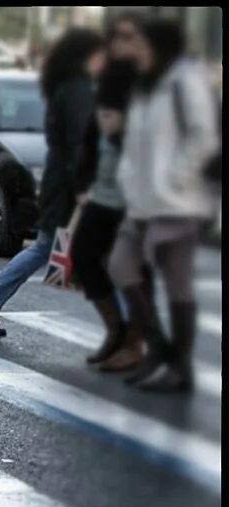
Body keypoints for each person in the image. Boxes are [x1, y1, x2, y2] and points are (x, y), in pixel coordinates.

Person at [107, 18, 220, 392]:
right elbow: (135, 142)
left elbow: (203, 136)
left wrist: (174, 178)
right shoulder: (145, 86)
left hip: (177, 204)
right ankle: (159, 349)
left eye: (140, 42)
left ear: (159, 45)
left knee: (177, 285)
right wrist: (128, 176)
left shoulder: (184, 81)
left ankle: (180, 366)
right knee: (121, 266)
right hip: (142, 203)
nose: (134, 50)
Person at [0, 28, 106, 336]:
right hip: (69, 188)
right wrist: (86, 185)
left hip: (60, 184)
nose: (103, 61)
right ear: (86, 56)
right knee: (95, 252)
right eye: (100, 55)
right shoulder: (78, 90)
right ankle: (130, 330)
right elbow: (77, 144)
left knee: (48, 246)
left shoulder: (66, 87)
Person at [68, 12, 145, 367]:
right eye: (117, 37)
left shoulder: (148, 83)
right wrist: (82, 183)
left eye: (129, 37)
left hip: (138, 193)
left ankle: (134, 342)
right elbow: (91, 136)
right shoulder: (110, 80)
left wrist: (123, 127)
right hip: (102, 190)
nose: (122, 44)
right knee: (82, 258)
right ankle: (115, 330)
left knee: (133, 268)